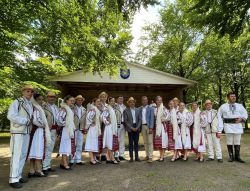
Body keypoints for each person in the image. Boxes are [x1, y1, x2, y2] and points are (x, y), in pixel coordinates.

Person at [7, 84, 34, 189]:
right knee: (16, 155)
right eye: (27, 91)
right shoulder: (17, 102)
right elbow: (11, 115)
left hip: (26, 132)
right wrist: (25, 121)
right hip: (17, 131)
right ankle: (13, 179)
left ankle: (18, 176)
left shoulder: (30, 104)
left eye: (31, 91)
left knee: (23, 155)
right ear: (23, 92)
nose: (30, 93)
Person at [218, 92, 248, 163]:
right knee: (229, 141)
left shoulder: (240, 106)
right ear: (228, 98)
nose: (233, 97)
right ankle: (231, 157)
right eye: (231, 96)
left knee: (237, 141)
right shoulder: (223, 106)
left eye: (234, 96)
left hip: (237, 126)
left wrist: (242, 119)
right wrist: (220, 127)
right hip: (228, 125)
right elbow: (219, 115)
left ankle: (237, 157)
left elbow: (245, 113)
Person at [27, 93, 51, 177]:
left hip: (38, 131)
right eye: (39, 99)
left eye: (42, 99)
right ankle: (37, 170)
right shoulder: (35, 108)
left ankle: (32, 170)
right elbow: (35, 120)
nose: (41, 101)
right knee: (36, 150)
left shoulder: (38, 108)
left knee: (35, 150)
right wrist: (44, 124)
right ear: (35, 100)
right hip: (37, 131)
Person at [57, 95, 76, 170]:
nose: (72, 102)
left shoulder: (69, 109)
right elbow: (58, 118)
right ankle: (65, 163)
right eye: (71, 100)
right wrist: (65, 123)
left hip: (69, 129)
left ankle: (63, 163)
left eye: (73, 101)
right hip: (65, 130)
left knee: (68, 146)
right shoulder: (64, 109)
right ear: (66, 101)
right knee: (65, 146)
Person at [42, 91, 59, 175]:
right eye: (50, 97)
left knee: (51, 148)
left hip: (55, 130)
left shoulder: (56, 107)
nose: (52, 98)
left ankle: (47, 165)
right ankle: (44, 167)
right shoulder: (43, 106)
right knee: (46, 148)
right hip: (47, 130)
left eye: (53, 97)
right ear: (47, 97)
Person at [123, 97, 142, 162]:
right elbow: (126, 120)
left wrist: (137, 127)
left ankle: (137, 157)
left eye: (133, 102)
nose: (132, 103)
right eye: (130, 102)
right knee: (131, 143)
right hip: (130, 128)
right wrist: (131, 127)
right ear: (128, 103)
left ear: (134, 102)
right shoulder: (126, 110)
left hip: (137, 127)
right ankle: (131, 158)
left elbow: (140, 119)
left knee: (136, 143)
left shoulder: (138, 110)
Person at [70, 95, 86, 166]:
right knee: (73, 144)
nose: (80, 101)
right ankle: (72, 159)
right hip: (74, 128)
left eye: (81, 100)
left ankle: (78, 159)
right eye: (78, 100)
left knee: (79, 144)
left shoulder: (84, 109)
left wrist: (85, 127)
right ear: (76, 101)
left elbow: (85, 119)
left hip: (81, 128)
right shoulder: (72, 108)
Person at [84, 98, 102, 165]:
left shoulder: (97, 109)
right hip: (93, 129)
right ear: (94, 102)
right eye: (97, 101)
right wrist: (90, 124)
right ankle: (91, 159)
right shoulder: (93, 109)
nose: (99, 102)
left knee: (95, 144)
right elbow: (88, 117)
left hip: (96, 128)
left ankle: (94, 158)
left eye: (99, 101)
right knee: (92, 143)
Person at [101, 97, 119, 164]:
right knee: (110, 142)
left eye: (114, 101)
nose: (113, 102)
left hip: (113, 127)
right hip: (109, 127)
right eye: (111, 101)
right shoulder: (107, 108)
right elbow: (102, 116)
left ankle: (108, 158)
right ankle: (112, 158)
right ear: (108, 101)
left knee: (110, 142)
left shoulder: (112, 108)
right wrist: (107, 122)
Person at [153, 96, 169, 162]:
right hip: (157, 127)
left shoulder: (164, 108)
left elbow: (168, 116)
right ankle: (160, 156)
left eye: (160, 100)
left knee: (163, 142)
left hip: (162, 127)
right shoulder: (155, 109)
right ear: (156, 101)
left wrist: (164, 120)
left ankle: (162, 157)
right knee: (159, 142)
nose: (159, 101)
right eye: (158, 100)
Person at [139, 96, 154, 163]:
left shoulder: (151, 108)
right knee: (145, 142)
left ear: (147, 101)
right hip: (142, 126)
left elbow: (152, 118)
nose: (144, 101)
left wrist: (151, 127)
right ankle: (147, 155)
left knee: (150, 142)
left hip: (148, 126)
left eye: (145, 100)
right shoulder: (140, 108)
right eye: (143, 100)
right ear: (142, 101)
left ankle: (150, 157)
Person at [115, 95, 127, 161]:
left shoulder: (124, 107)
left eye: (122, 99)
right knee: (117, 140)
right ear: (117, 100)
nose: (121, 100)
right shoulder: (115, 106)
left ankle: (121, 155)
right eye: (119, 99)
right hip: (117, 124)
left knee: (122, 140)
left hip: (123, 125)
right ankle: (116, 155)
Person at [98, 92, 109, 161]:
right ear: (99, 97)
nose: (103, 98)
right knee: (99, 138)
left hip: (106, 124)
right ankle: (97, 154)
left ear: (106, 98)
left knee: (105, 139)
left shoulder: (108, 105)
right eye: (102, 96)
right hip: (99, 124)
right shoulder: (97, 104)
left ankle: (104, 154)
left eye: (104, 96)